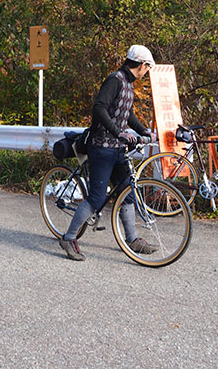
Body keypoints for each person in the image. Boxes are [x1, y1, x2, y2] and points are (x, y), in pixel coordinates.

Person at [59, 44, 159, 261]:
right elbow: (99, 108)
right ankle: (69, 237)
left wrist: (144, 131)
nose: (147, 72)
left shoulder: (129, 86)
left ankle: (131, 239)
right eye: (148, 68)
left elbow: (126, 114)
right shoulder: (115, 80)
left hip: (117, 149)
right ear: (142, 65)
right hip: (102, 147)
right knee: (96, 197)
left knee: (127, 192)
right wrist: (118, 132)